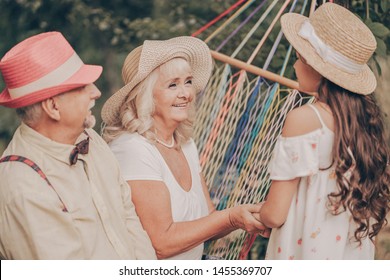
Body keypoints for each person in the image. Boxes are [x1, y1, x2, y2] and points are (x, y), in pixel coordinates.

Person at [101, 36, 269, 260]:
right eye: (173, 85)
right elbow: (162, 243)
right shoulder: (133, 149)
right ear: (145, 94)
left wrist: (250, 214)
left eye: (188, 81)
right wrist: (231, 218)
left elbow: (208, 221)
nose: (186, 94)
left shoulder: (185, 144)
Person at [0, 31, 156, 260]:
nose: (96, 92)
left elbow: (128, 219)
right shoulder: (23, 187)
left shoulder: (90, 138)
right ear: (53, 107)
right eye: (83, 87)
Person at [256, 3, 390, 259]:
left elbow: (274, 214)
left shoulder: (304, 119)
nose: (294, 66)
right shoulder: (364, 125)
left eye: (299, 58)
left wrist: (255, 214)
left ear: (317, 67)